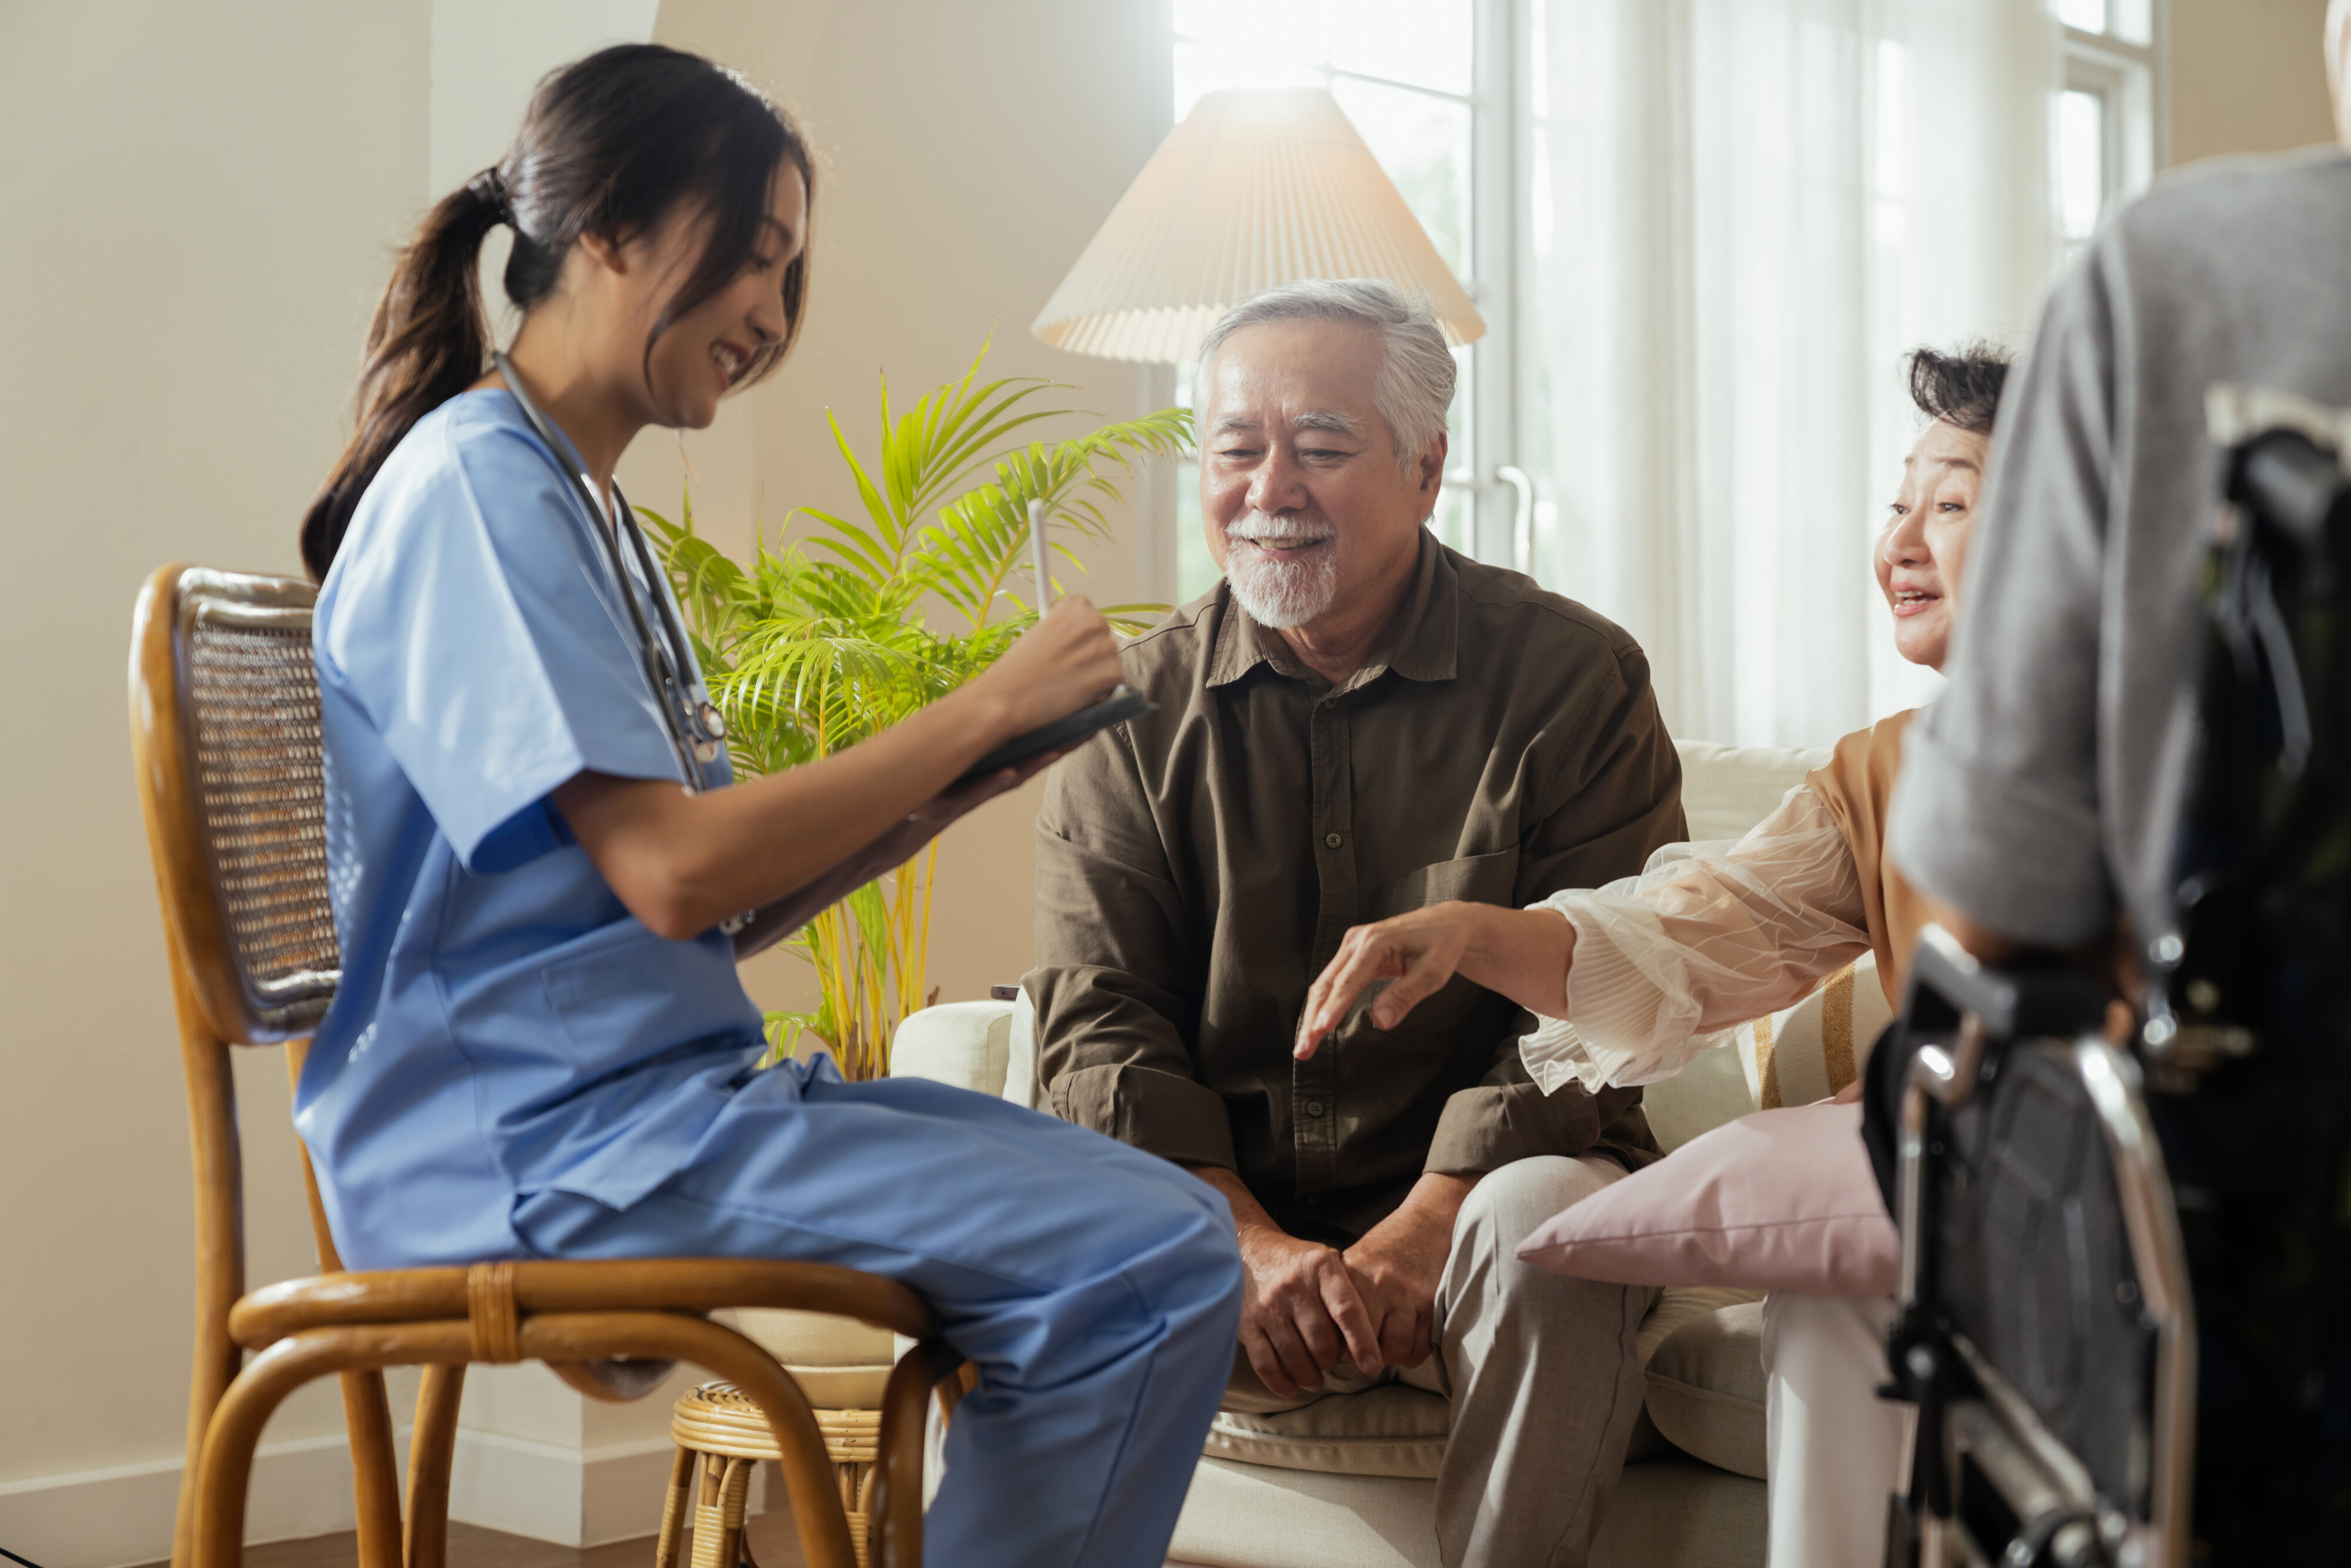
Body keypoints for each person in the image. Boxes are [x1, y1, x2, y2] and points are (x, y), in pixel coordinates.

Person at [298, 45, 1241, 1568]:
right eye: (750, 255)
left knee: (1154, 1231)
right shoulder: (482, 487)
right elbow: (675, 875)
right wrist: (981, 702)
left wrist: (929, 802)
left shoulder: (583, 506)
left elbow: (697, 908)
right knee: (1148, 1259)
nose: (771, 314)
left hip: (643, 1108)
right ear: (606, 228)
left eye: (789, 270)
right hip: (537, 1147)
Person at [1294, 343, 2011, 1568]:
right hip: (1941, 1219)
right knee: (1836, 1290)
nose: (1896, 543)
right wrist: (1471, 931)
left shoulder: (2210, 751)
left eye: (1948, 505)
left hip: (2162, 1201)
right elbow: (1691, 932)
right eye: (1895, 503)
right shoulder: (1881, 775)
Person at [1027, 278, 1687, 1568]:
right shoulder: (1127, 711)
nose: (1270, 485)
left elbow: (1607, 984)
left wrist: (1423, 1224)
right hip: (1219, 1201)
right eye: (1234, 448)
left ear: (1424, 465)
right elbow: (1096, 1025)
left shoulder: (1571, 680)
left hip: (1491, 1189)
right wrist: (1247, 1243)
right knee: (1059, 1222)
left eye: (1321, 446)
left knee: (1539, 1215)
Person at [1883, 6, 2351, 1556]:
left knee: (1941, 1064)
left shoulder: (2188, 270)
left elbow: (1988, 921)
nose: (1906, 542)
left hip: (2282, 1331)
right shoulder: (1839, 768)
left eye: (1950, 499)